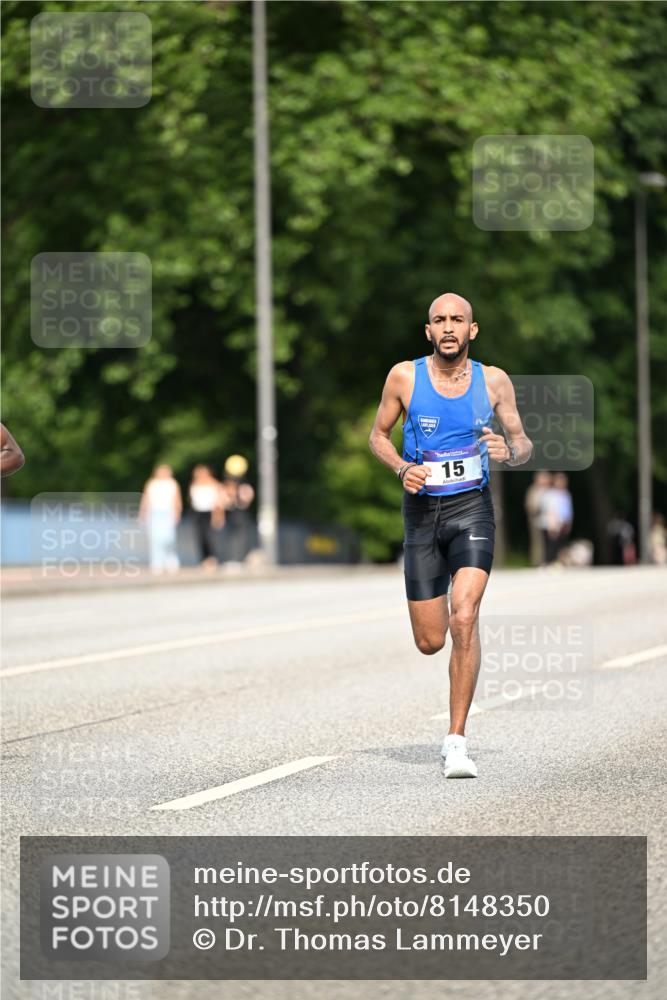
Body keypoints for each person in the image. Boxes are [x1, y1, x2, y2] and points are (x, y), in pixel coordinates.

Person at [369, 292, 532, 778]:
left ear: (471, 330)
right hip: (421, 515)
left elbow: (522, 442)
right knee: (430, 640)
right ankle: (449, 620)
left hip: (471, 509)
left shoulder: (494, 381)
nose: (447, 327)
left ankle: (456, 740)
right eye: (439, 320)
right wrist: (401, 468)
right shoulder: (404, 376)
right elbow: (378, 435)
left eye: (456, 320)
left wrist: (511, 449)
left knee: (465, 615)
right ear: (428, 331)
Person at [139, 463, 183, 573]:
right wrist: (142, 513)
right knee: (155, 539)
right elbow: (146, 498)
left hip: (168, 513)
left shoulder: (172, 483)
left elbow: (177, 499)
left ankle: (171, 560)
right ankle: (157, 563)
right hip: (154, 513)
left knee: (168, 538)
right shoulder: (151, 483)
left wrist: (177, 512)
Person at [189, 465, 225, 569]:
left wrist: (218, 516)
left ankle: (212, 557)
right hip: (198, 513)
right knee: (200, 536)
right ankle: (204, 558)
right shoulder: (194, 484)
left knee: (210, 536)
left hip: (210, 513)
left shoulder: (214, 484)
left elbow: (219, 502)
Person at [221, 454, 255, 565]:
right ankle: (231, 558)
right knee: (230, 537)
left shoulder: (245, 487)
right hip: (230, 515)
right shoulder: (226, 487)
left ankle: (240, 559)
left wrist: (236, 494)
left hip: (241, 516)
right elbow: (224, 502)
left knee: (241, 538)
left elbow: (246, 501)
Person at [540, 473, 573, 565]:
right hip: (553, 524)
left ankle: (557, 561)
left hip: (564, 523)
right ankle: (548, 562)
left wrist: (569, 522)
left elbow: (568, 510)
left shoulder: (566, 494)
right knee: (551, 544)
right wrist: (552, 525)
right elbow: (549, 510)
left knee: (560, 544)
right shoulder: (551, 494)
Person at [524, 471, 551, 566]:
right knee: (538, 541)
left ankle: (548, 560)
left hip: (549, 520)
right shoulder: (533, 490)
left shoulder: (550, 490)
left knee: (549, 540)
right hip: (536, 519)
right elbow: (530, 505)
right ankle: (537, 561)